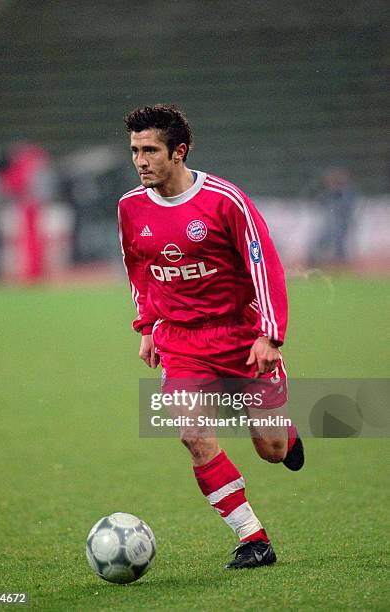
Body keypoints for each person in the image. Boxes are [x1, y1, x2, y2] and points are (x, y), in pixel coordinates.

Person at [118, 104, 304, 570]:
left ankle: (287, 432)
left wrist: (271, 337)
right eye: (135, 151)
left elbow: (265, 266)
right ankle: (252, 538)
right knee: (193, 434)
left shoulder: (225, 201)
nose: (141, 160)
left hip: (241, 337)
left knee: (273, 451)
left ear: (178, 152)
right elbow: (138, 269)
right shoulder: (130, 207)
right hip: (181, 341)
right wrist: (147, 328)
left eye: (151, 150)